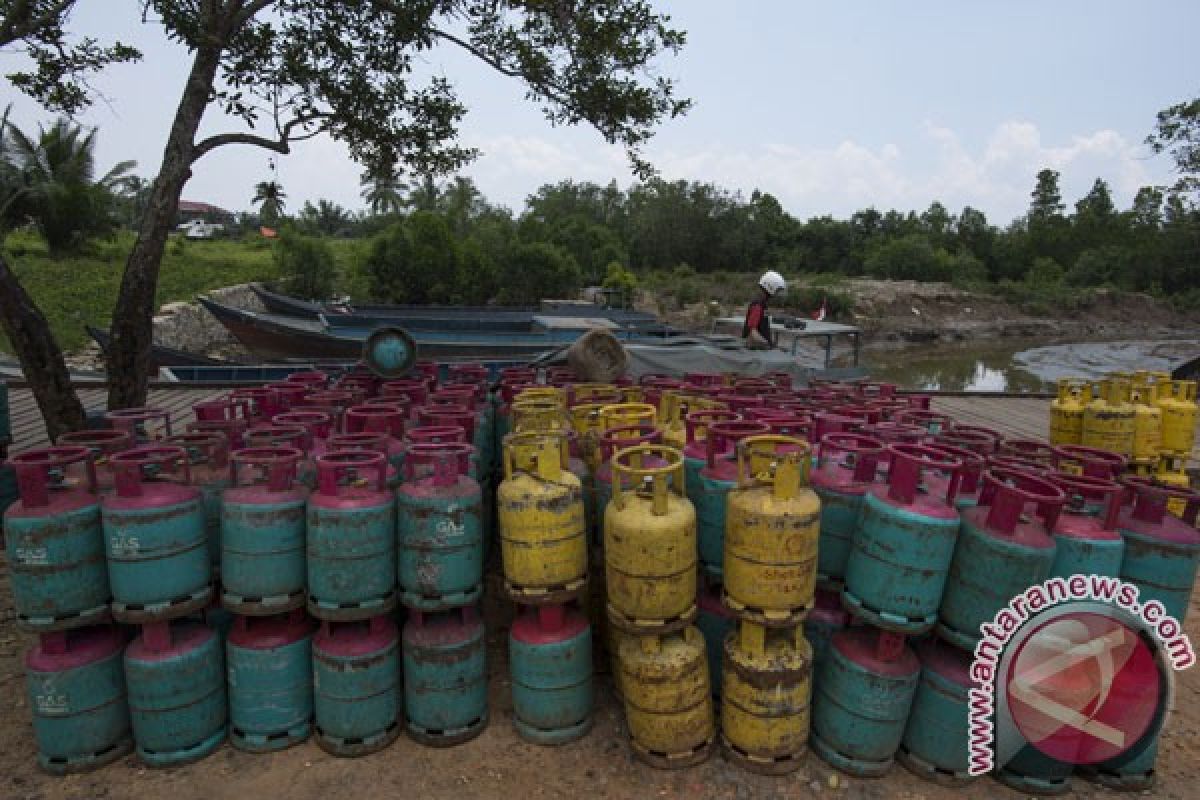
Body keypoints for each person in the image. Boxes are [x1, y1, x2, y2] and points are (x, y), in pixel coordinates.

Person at [742, 270, 786, 349]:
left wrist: (771, 345)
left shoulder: (762, 305)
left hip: (758, 349)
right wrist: (768, 345)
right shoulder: (757, 306)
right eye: (777, 290)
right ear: (770, 287)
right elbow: (752, 332)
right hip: (755, 352)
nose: (777, 293)